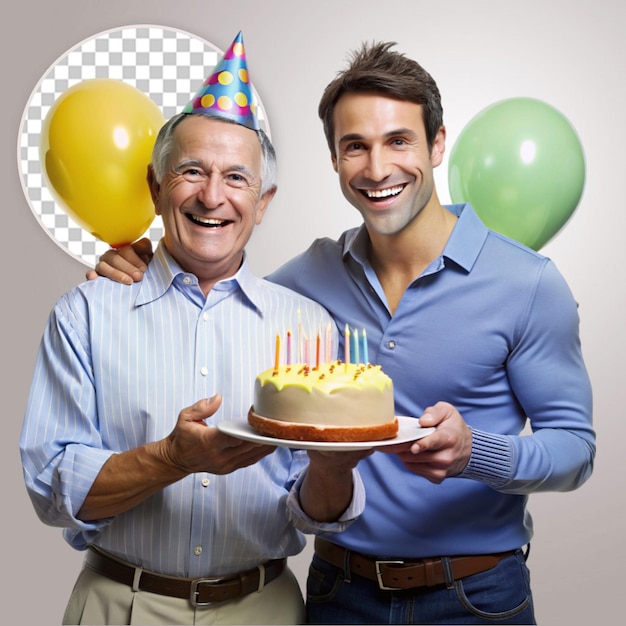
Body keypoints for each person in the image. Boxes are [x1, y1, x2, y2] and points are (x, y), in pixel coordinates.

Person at [88, 41, 595, 625]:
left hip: (474, 595)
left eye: (398, 141)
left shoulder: (527, 283)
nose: (377, 169)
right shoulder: (308, 280)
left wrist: (474, 453)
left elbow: (574, 451)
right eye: (355, 146)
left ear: (436, 144)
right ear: (334, 160)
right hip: (338, 594)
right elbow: (216, 285)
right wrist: (135, 261)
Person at [20, 33, 370, 626]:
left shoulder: (308, 326)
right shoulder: (83, 314)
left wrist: (333, 469)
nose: (213, 196)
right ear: (157, 189)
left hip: (264, 609)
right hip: (120, 606)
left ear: (263, 202)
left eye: (237, 178)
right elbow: (53, 490)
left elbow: (310, 510)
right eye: (191, 171)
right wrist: (169, 458)